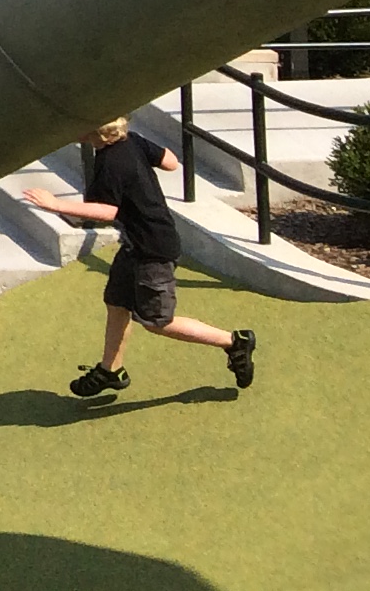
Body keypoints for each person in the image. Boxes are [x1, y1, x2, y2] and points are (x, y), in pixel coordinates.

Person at [21, 118, 255, 398]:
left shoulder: (109, 162)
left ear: (95, 131)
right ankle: (111, 370)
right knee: (117, 302)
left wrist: (56, 204)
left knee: (158, 321)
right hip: (136, 245)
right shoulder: (130, 141)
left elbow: (108, 211)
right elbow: (170, 162)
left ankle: (233, 342)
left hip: (152, 252)